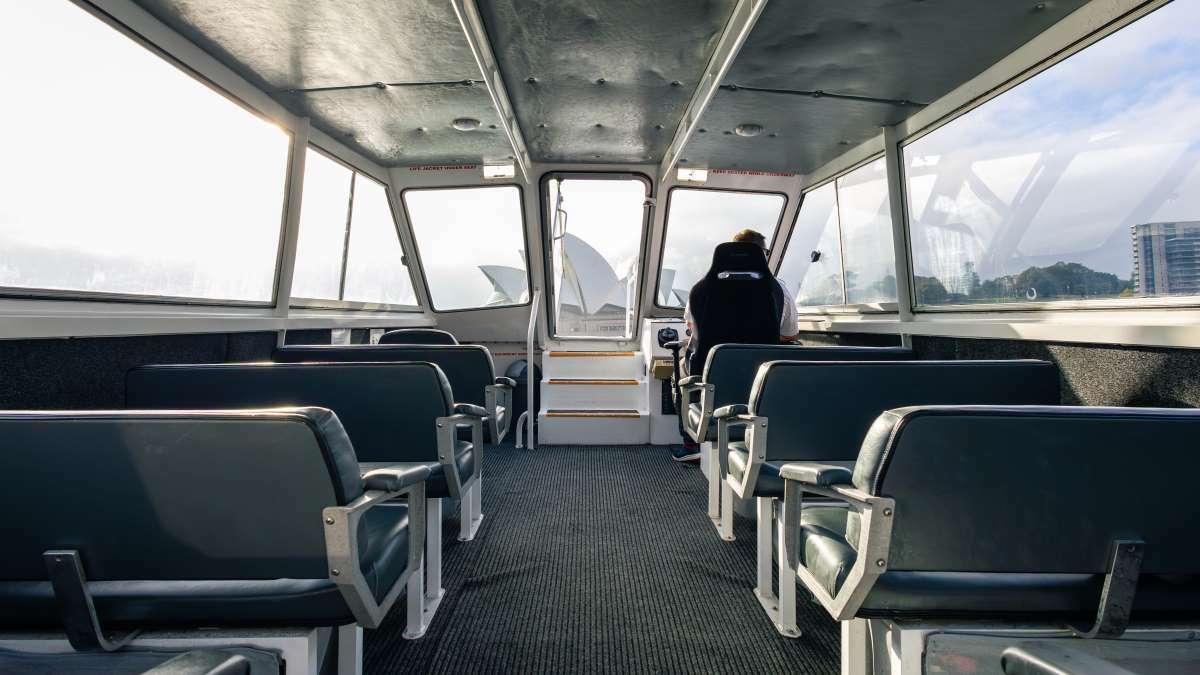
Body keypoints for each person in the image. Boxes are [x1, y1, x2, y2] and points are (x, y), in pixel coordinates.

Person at [671, 229, 799, 462]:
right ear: (762, 254)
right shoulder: (777, 289)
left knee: (680, 366)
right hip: (763, 376)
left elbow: (692, 327)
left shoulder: (702, 289)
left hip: (710, 374)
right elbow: (789, 335)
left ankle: (691, 444)